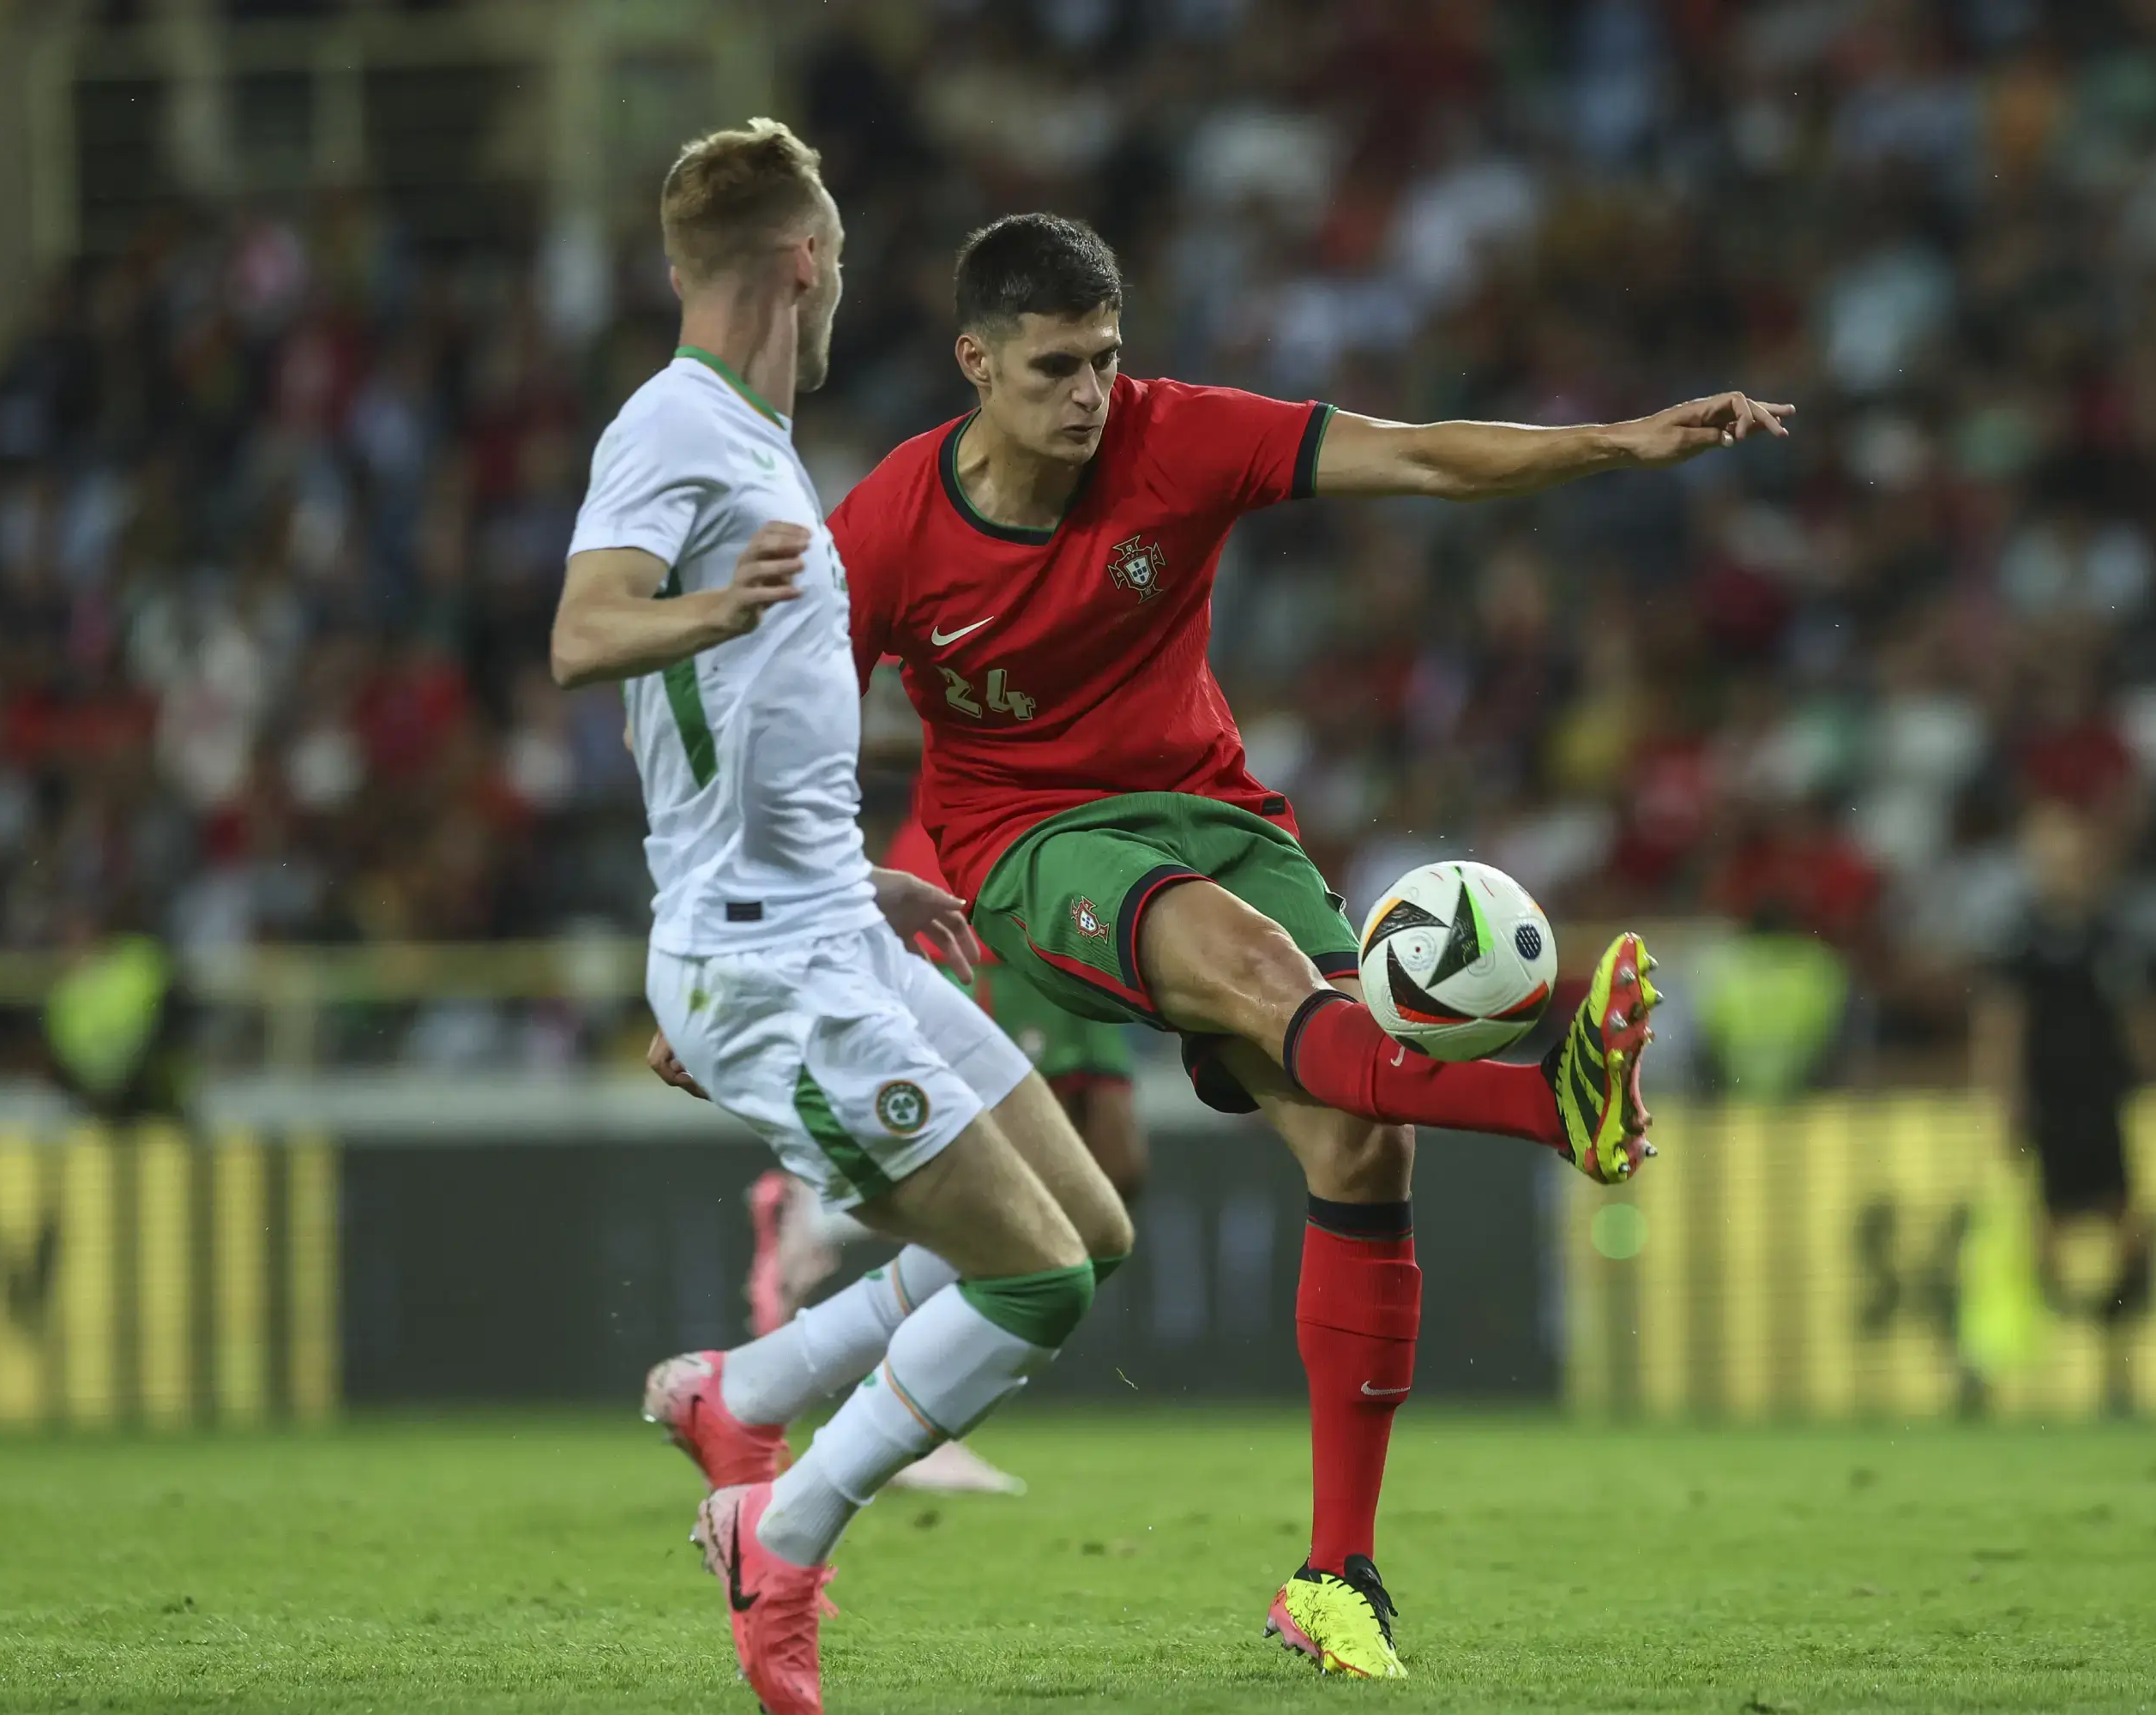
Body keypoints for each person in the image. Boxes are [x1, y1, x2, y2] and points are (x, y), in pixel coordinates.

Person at [829, 211, 1790, 1677]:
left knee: (1361, 1145)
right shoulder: (891, 524)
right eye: (1054, 367)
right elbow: (787, 731)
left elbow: (1415, 455)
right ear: (975, 360)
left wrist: (1622, 444)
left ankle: (1335, 1575)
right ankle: (1552, 1104)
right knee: (1282, 995)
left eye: (1105, 359)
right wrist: (779, 908)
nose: (1089, 394)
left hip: (1213, 809)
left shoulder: (1181, 435)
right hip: (1031, 842)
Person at [550, 123, 1134, 1715]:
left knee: (1091, 1231)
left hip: (823, 919)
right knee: (1038, 1285)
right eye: (841, 264)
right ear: (803, 264)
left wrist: (851, 871)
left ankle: (742, 1397)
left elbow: (721, 720)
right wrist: (711, 608)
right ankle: (782, 1530)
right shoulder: (675, 428)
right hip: (763, 956)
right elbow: (584, 635)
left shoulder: (748, 434)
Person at [742, 811, 1150, 1495]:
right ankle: (911, 1419)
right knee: (1002, 1189)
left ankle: (818, 1253)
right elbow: (910, 727)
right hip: (989, 893)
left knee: (1109, 1175)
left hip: (1090, 894)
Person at [1971, 798, 2156, 1417]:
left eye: (2078, 858)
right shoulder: (2022, 940)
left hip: (2103, 1103)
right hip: (2048, 1108)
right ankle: (2010, 1368)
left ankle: (2114, 1371)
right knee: (2037, 1236)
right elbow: (2001, 1024)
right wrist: (2002, 1095)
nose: (2070, 870)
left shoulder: (2111, 937)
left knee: (2125, 1230)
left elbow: (2141, 1015)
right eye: (2056, 858)